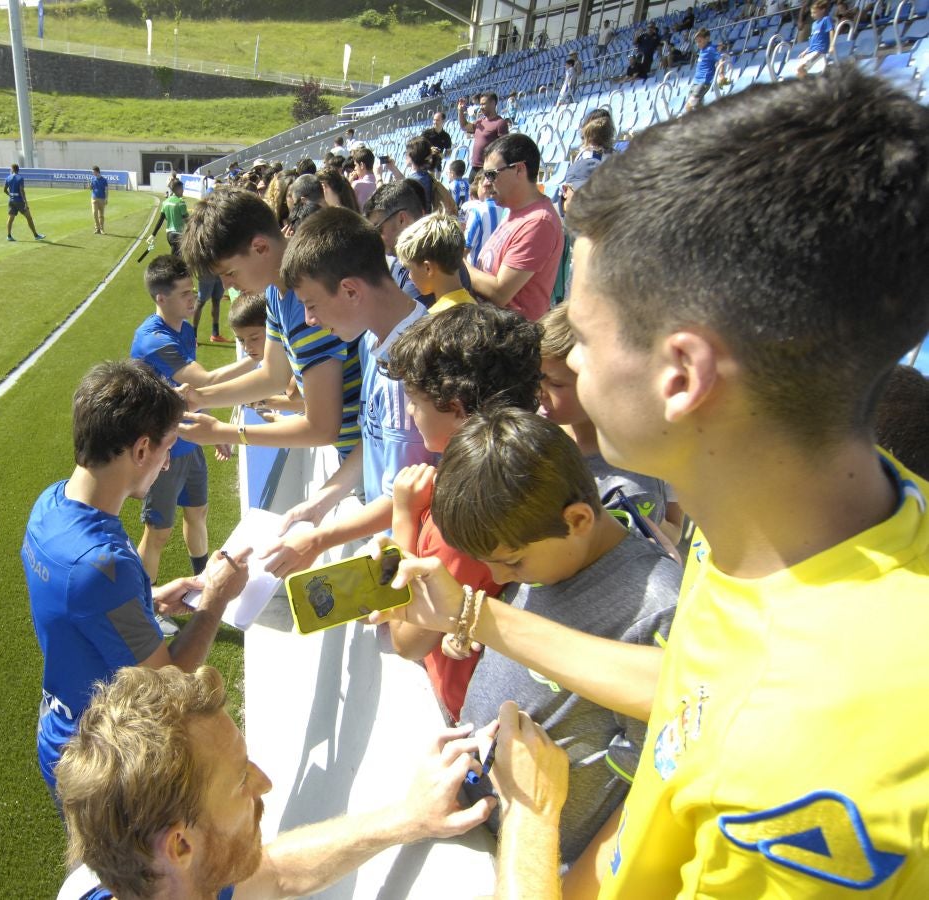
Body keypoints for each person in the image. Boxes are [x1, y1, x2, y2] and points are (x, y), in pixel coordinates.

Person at [392, 66, 929, 897]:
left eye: (586, 339)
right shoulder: (797, 521)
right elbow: (691, 686)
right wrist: (477, 616)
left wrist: (530, 827)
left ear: (680, 375)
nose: (560, 361)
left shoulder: (824, 755)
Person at [422, 406, 680, 870]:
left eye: (513, 563)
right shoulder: (549, 547)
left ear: (579, 519)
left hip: (549, 862)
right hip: (483, 823)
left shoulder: (659, 608)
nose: (499, 578)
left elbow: (646, 780)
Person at [54, 665, 498, 900]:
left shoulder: (123, 881)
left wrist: (411, 817)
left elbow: (280, 873)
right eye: (240, 780)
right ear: (180, 846)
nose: (264, 785)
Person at [21, 360, 250, 799]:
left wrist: (149, 600)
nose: (167, 465)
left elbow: (82, 609)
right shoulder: (102, 567)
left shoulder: (49, 505)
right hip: (104, 764)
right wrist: (216, 598)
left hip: (61, 728)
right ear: (141, 450)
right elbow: (170, 690)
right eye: (167, 450)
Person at [376, 303, 544, 720]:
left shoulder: (467, 514)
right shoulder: (526, 464)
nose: (412, 415)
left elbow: (409, 640)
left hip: (467, 706)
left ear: (455, 406)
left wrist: (404, 517)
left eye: (414, 402)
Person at [260, 208, 434, 579]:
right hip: (388, 546)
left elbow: (410, 495)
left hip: (414, 563)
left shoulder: (417, 371)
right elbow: (372, 443)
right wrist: (318, 504)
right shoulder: (373, 337)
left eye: (311, 304)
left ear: (351, 290)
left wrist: (320, 540)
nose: (309, 320)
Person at [175, 188, 361, 459]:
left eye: (229, 273)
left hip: (370, 464)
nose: (227, 285)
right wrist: (200, 397)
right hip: (357, 457)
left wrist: (224, 432)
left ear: (260, 247)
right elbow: (273, 376)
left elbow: (322, 429)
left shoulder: (308, 304)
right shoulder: (277, 291)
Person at [130, 255, 257, 580]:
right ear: (161, 298)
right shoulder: (154, 340)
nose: (194, 298)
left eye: (193, 290)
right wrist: (264, 354)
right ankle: (150, 607)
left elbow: (192, 394)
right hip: (163, 452)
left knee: (197, 513)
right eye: (185, 293)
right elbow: (206, 382)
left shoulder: (184, 329)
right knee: (158, 533)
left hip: (187, 442)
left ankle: (201, 584)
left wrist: (214, 432)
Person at [539, 304, 685, 542]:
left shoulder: (634, 478)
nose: (539, 392)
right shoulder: (540, 427)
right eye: (537, 377)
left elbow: (673, 529)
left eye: (555, 384)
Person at [467, 134, 565, 322]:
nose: (486, 183)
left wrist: (456, 263)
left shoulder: (538, 222)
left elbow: (500, 292)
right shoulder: (512, 211)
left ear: (519, 169)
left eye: (491, 174)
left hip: (513, 342)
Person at [395, 213, 472, 313]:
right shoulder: (474, 307)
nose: (409, 276)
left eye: (410, 268)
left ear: (428, 268)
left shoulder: (433, 321)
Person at [464, 92, 510, 182]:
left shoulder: (500, 123)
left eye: (483, 104)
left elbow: (503, 147)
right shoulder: (480, 121)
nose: (481, 107)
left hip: (488, 168)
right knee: (472, 194)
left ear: (493, 104)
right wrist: (460, 111)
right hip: (475, 167)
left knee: (486, 194)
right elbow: (464, 126)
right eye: (480, 104)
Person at [461, 176, 504, 268]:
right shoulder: (506, 210)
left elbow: (466, 246)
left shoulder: (478, 211)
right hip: (497, 269)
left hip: (477, 270)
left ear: (484, 188)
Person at [3, 163, 44, 242]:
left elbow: (4, 190)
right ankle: (36, 235)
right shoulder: (20, 178)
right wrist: (25, 202)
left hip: (11, 201)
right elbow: (22, 190)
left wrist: (10, 196)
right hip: (19, 201)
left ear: (12, 169)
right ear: (18, 169)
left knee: (11, 218)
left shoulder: (8, 178)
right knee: (29, 218)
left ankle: (9, 236)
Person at [149, 177, 189, 255]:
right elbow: (187, 220)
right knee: (177, 260)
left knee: (176, 257)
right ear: (177, 190)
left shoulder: (165, 202)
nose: (183, 191)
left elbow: (160, 220)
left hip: (169, 236)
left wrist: (153, 234)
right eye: (181, 189)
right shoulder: (181, 202)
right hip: (178, 235)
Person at [796, 0, 833, 76]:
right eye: (811, 13)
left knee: (801, 68)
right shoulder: (814, 24)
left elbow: (831, 31)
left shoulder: (826, 19)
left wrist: (832, 45)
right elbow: (812, 40)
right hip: (811, 51)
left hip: (819, 51)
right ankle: (809, 83)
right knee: (798, 72)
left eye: (814, 12)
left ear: (822, 10)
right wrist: (806, 51)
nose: (812, 15)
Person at [686, 28, 720, 111]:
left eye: (700, 41)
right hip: (696, 82)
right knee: (698, 107)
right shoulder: (703, 50)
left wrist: (721, 74)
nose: (698, 44)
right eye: (696, 42)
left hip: (704, 82)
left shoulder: (710, 50)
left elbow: (720, 59)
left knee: (690, 105)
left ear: (707, 39)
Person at [89, 165, 108, 234]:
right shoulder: (93, 179)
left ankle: (102, 229)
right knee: (94, 213)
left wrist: (106, 198)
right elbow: (91, 188)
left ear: (97, 172)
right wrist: (90, 186)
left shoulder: (104, 180)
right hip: (94, 198)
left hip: (102, 199)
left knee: (101, 215)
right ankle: (97, 228)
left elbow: (106, 190)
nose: (93, 173)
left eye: (93, 172)